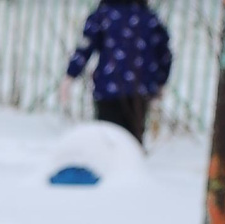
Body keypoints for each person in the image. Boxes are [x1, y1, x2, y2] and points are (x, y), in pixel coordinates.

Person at [66, 0, 171, 144]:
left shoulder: (103, 14)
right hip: (139, 90)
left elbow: (86, 45)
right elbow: (164, 53)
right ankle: (131, 156)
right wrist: (160, 81)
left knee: (107, 139)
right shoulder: (148, 17)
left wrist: (70, 74)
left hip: (108, 89)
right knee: (131, 141)